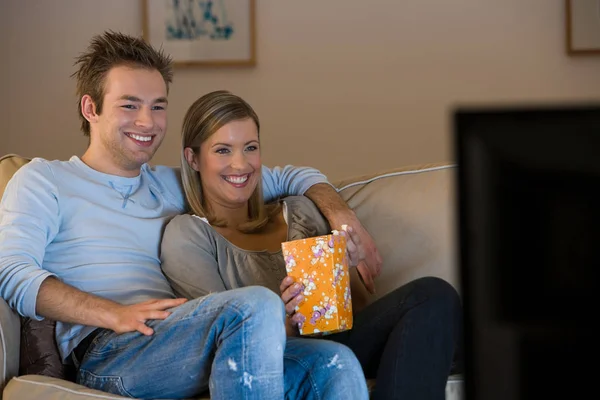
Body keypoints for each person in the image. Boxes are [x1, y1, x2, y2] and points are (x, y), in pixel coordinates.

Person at [0, 31, 375, 399]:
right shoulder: (43, 179)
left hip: (182, 336)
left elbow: (293, 177)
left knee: (333, 361)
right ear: (90, 109)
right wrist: (113, 313)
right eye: (130, 105)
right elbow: (12, 273)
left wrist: (343, 218)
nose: (147, 122)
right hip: (109, 353)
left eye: (158, 106)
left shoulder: (170, 184)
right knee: (258, 304)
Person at [160, 90, 464, 400]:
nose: (241, 164)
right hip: (282, 358)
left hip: (339, 340)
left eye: (250, 148)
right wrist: (283, 322)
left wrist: (349, 267)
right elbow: (216, 339)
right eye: (223, 150)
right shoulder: (188, 236)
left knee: (434, 297)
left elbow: (355, 310)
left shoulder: (297, 210)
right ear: (193, 159)